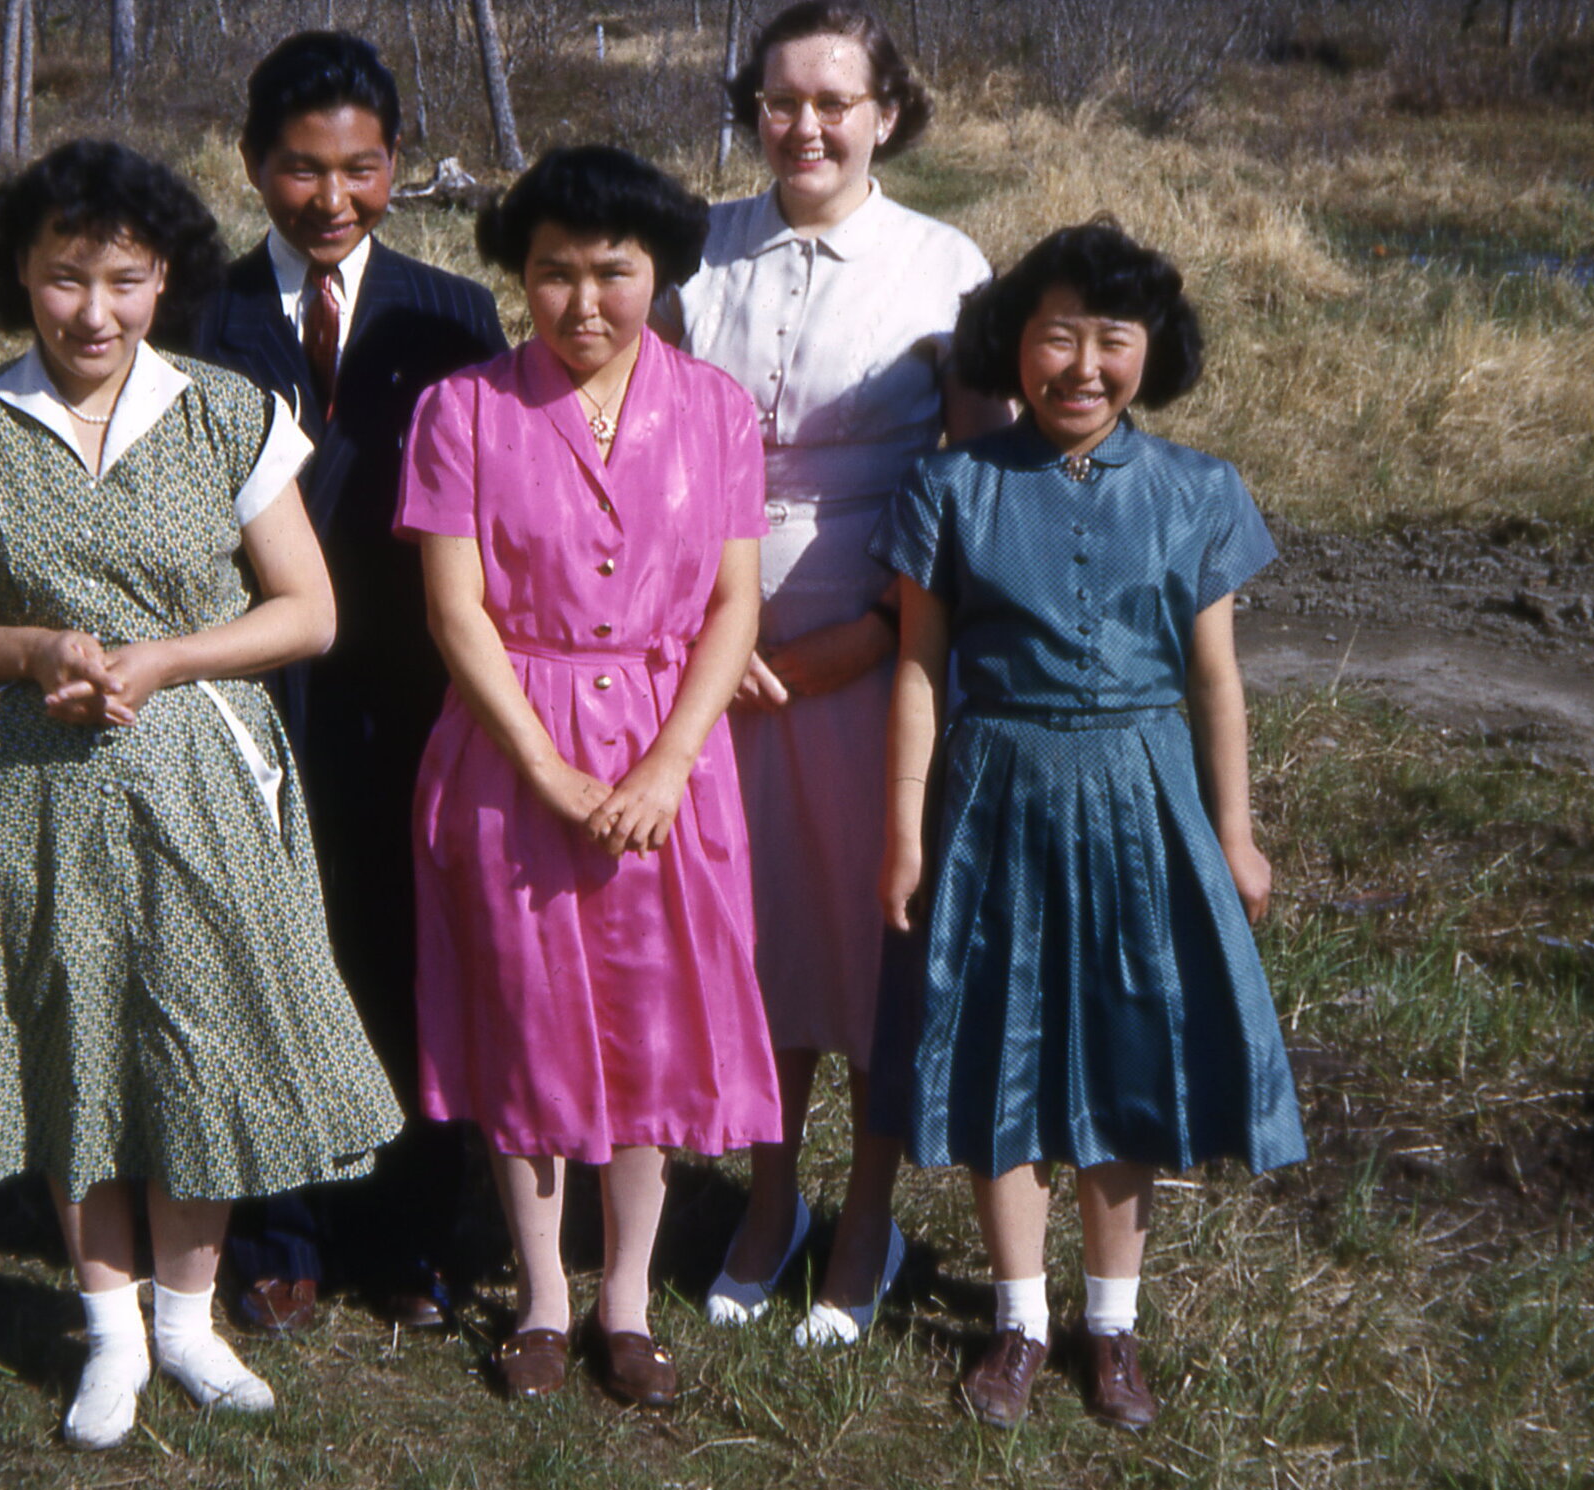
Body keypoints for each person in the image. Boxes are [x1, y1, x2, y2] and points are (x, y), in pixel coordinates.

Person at [0, 140, 402, 1450]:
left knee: (196, 1039)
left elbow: (308, 611)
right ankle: (107, 1332)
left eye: (125, 280)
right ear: (17, 280)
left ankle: (191, 1323)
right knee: (70, 1043)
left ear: (165, 281)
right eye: (62, 280)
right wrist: (36, 650)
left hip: (199, 774)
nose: (94, 312)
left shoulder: (225, 412)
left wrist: (169, 656)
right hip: (28, 793)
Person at [871, 223, 1307, 1433]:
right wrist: (903, 835)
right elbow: (916, 672)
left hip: (1143, 800)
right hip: (993, 792)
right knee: (996, 1047)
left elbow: (1215, 680)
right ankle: (1017, 1320)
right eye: (1055, 334)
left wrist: (1237, 832)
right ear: (1011, 345)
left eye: (1111, 339)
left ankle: (1108, 1329)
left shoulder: (1198, 490)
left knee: (1127, 1056)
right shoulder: (949, 485)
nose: (1081, 365)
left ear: (1149, 350)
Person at [398, 147, 781, 1407]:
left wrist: (672, 758)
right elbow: (455, 611)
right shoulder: (461, 411)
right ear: (519, 276)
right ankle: (543, 1298)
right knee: (527, 1021)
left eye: (611, 270)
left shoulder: (719, 409)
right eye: (552, 273)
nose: (582, 302)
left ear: (656, 269)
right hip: (514, 751)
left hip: (672, 752)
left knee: (652, 1019)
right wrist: (547, 770)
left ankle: (626, 1299)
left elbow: (735, 600)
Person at [663, 2, 1010, 1346]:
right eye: (779, 99)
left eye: (834, 101)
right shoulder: (698, 244)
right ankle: (769, 1200)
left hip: (878, 643)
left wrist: (865, 636)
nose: (805, 125)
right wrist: (713, 642)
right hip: (713, 641)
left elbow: (972, 481)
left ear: (887, 115)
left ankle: (866, 1211)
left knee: (867, 937)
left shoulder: (942, 262)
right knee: (749, 937)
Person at [177, 31, 510, 1338]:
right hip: (251, 684)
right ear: (256, 165)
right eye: (302, 171)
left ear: (394, 165)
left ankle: (411, 1231)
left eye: (361, 169)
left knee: (408, 945)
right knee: (258, 945)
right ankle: (277, 1227)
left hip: (411, 686)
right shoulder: (198, 312)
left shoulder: (452, 314)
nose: (332, 199)